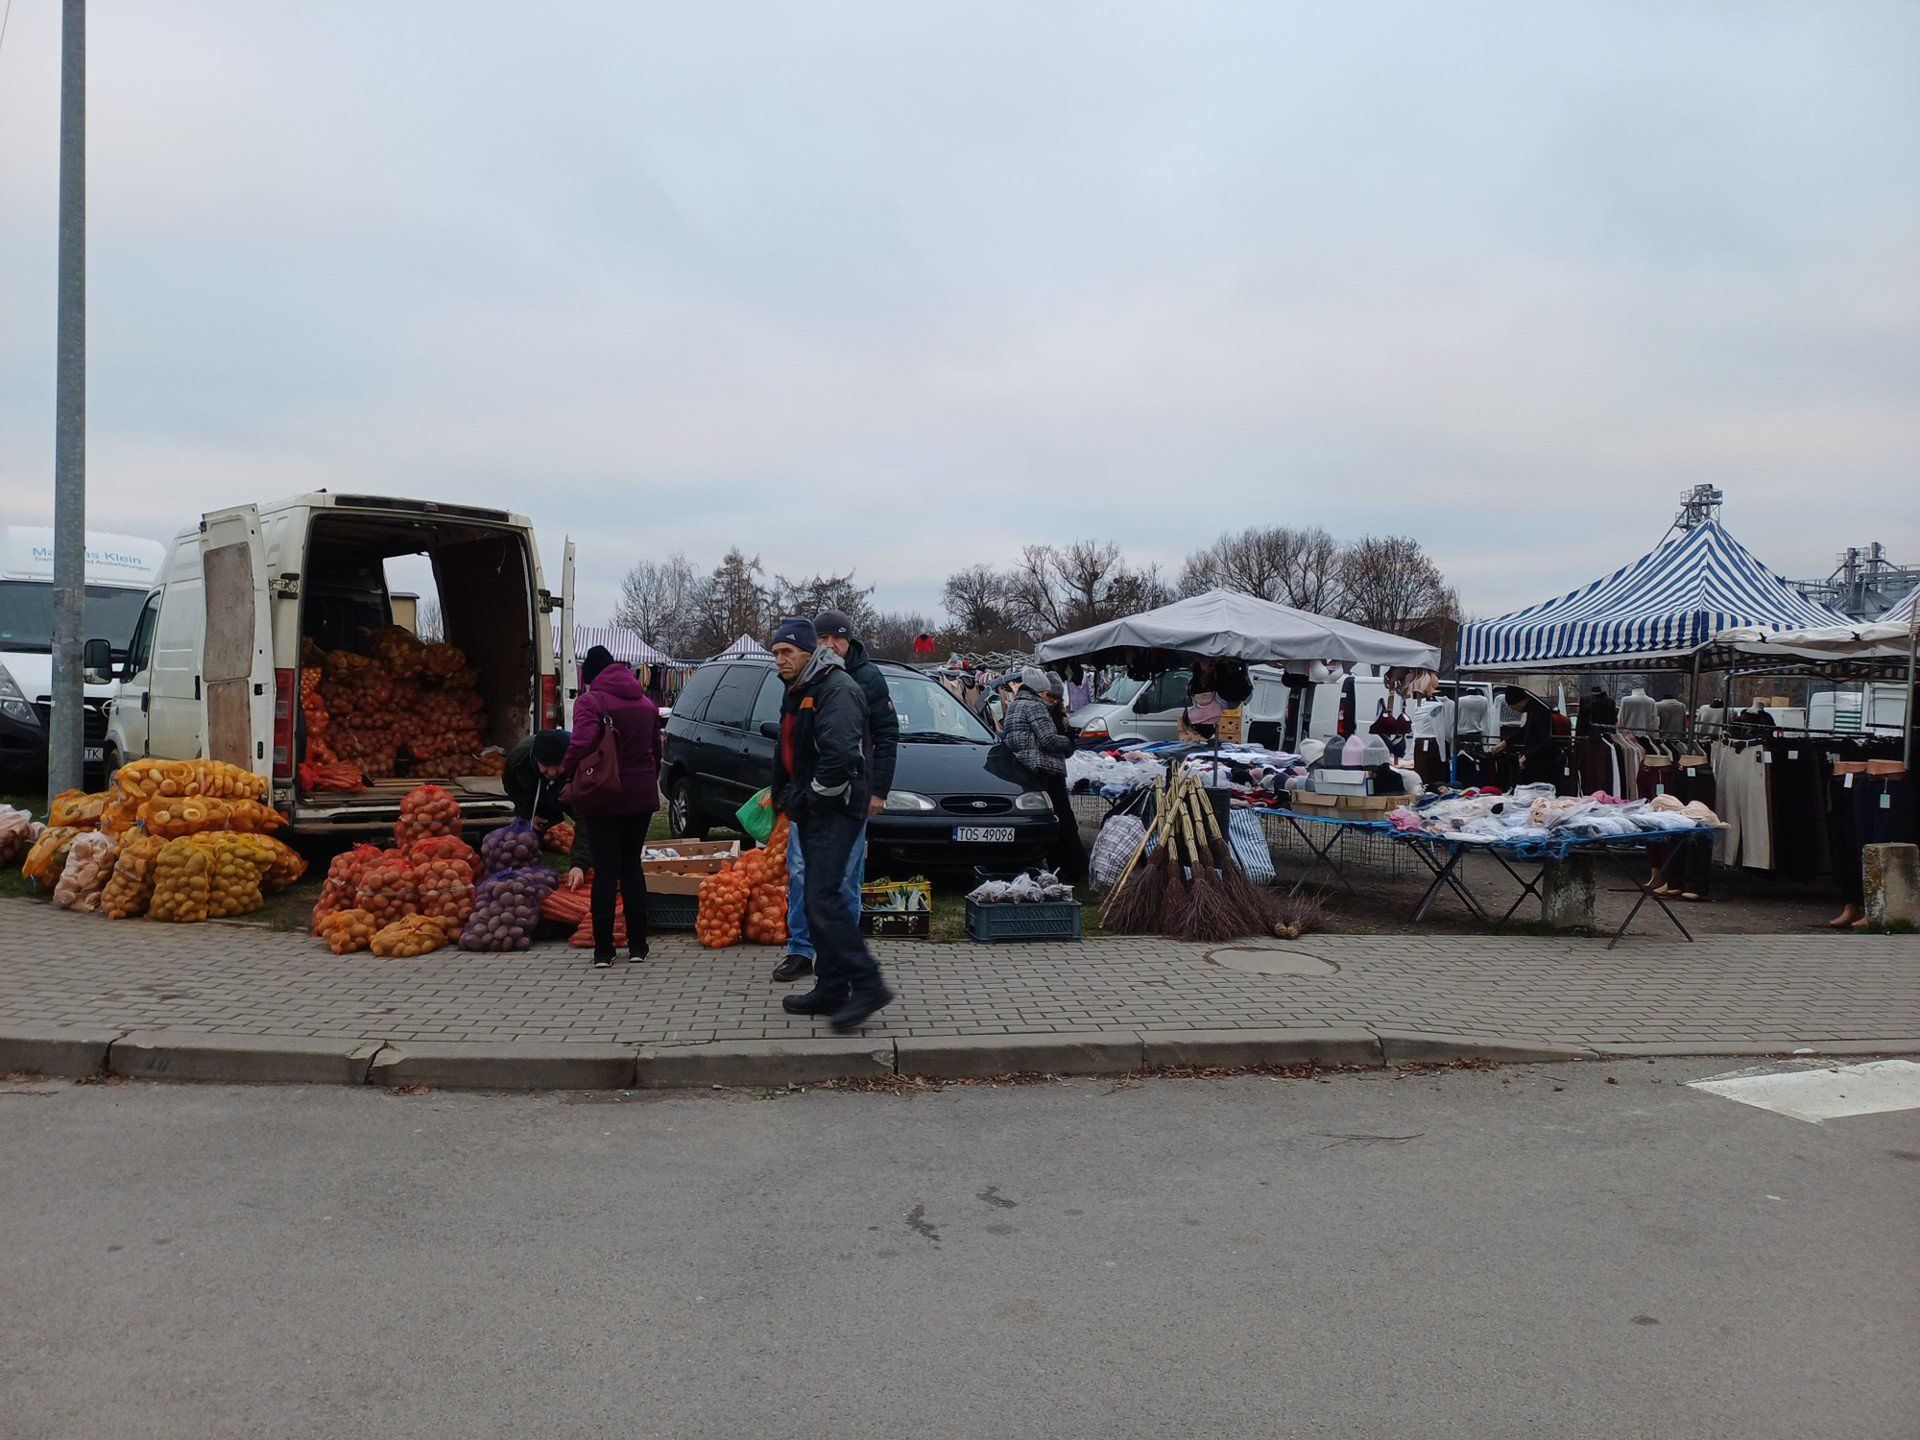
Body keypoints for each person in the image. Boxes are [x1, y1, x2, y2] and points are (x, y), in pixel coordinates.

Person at [767, 616, 894, 1032]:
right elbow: (790, 746)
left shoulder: (837, 689)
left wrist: (812, 797)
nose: (779, 659)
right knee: (816, 896)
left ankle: (869, 984)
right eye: (776, 652)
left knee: (825, 897)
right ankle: (831, 988)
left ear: (809, 652)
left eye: (787, 651)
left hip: (836, 809)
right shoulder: (800, 687)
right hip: (812, 809)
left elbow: (840, 756)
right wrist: (785, 794)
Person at [563, 645, 662, 969]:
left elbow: (581, 743)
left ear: (590, 676)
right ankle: (638, 946)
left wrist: (567, 771)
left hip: (603, 793)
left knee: (605, 870)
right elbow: (656, 750)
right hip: (640, 795)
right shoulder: (647, 704)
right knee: (631, 866)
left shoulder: (590, 701)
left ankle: (603, 951)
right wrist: (645, 780)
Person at [1002, 668, 1085, 882]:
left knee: (1040, 821)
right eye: (1047, 693)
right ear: (1040, 690)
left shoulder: (1014, 705)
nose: (1049, 697)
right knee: (1062, 820)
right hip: (1046, 770)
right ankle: (1074, 869)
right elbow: (1048, 739)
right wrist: (1068, 741)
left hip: (1025, 770)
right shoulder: (1035, 706)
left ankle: (1045, 866)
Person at [502, 728, 591, 883]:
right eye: (546, 765)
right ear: (536, 759)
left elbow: (587, 817)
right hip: (538, 791)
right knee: (528, 836)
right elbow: (511, 786)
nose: (552, 771)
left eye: (558, 765)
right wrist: (527, 815)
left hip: (569, 790)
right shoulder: (519, 759)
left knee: (596, 834)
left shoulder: (581, 764)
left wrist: (579, 864)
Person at [1489, 685, 1555, 785]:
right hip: (1534, 760)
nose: (1512, 708)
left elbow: (1546, 741)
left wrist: (1527, 757)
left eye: (1512, 705)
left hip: (1539, 764)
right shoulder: (1533, 709)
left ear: (1518, 700)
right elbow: (1525, 729)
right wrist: (1505, 742)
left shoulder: (1539, 711)